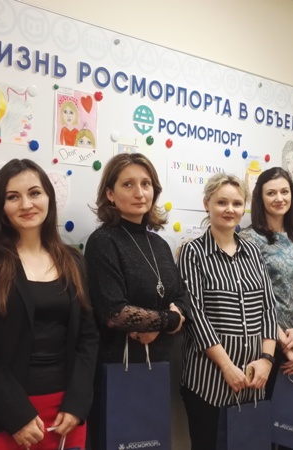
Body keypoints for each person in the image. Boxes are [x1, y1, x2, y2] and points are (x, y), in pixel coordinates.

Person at [0, 159, 98, 450]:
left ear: (48, 198)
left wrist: (78, 403)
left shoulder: (73, 260)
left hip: (64, 414)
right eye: (13, 197)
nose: (26, 204)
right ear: (1, 206)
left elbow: (88, 337)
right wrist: (16, 415)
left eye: (34, 193)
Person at [84, 152, 189, 450]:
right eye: (128, 184)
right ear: (110, 193)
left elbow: (182, 297)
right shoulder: (103, 241)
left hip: (158, 367)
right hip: (117, 368)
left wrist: (162, 322)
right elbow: (114, 312)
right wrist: (169, 320)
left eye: (146, 184)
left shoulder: (160, 244)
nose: (140, 193)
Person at [178, 173, 278, 449]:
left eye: (236, 203)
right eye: (221, 202)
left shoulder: (253, 252)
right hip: (208, 380)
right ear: (207, 204)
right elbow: (195, 315)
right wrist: (227, 367)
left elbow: (269, 308)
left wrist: (267, 360)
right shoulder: (193, 252)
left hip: (253, 378)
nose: (229, 209)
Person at [240, 167, 293, 393]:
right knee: (264, 412)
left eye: (285, 191)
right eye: (271, 193)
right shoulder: (248, 239)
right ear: (260, 198)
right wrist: (285, 344)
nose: (279, 198)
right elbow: (253, 301)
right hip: (265, 346)